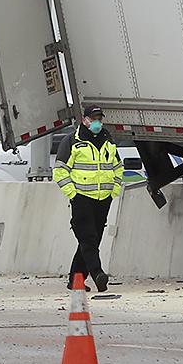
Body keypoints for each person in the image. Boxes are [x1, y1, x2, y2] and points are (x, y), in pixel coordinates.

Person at [55, 104, 123, 293]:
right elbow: (60, 170)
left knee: (93, 240)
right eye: (93, 119)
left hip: (104, 198)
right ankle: (98, 273)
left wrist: (114, 189)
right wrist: (73, 194)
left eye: (100, 119)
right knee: (88, 238)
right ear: (84, 120)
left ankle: (75, 280)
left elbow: (118, 167)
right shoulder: (72, 141)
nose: (97, 122)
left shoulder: (108, 141)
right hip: (82, 198)